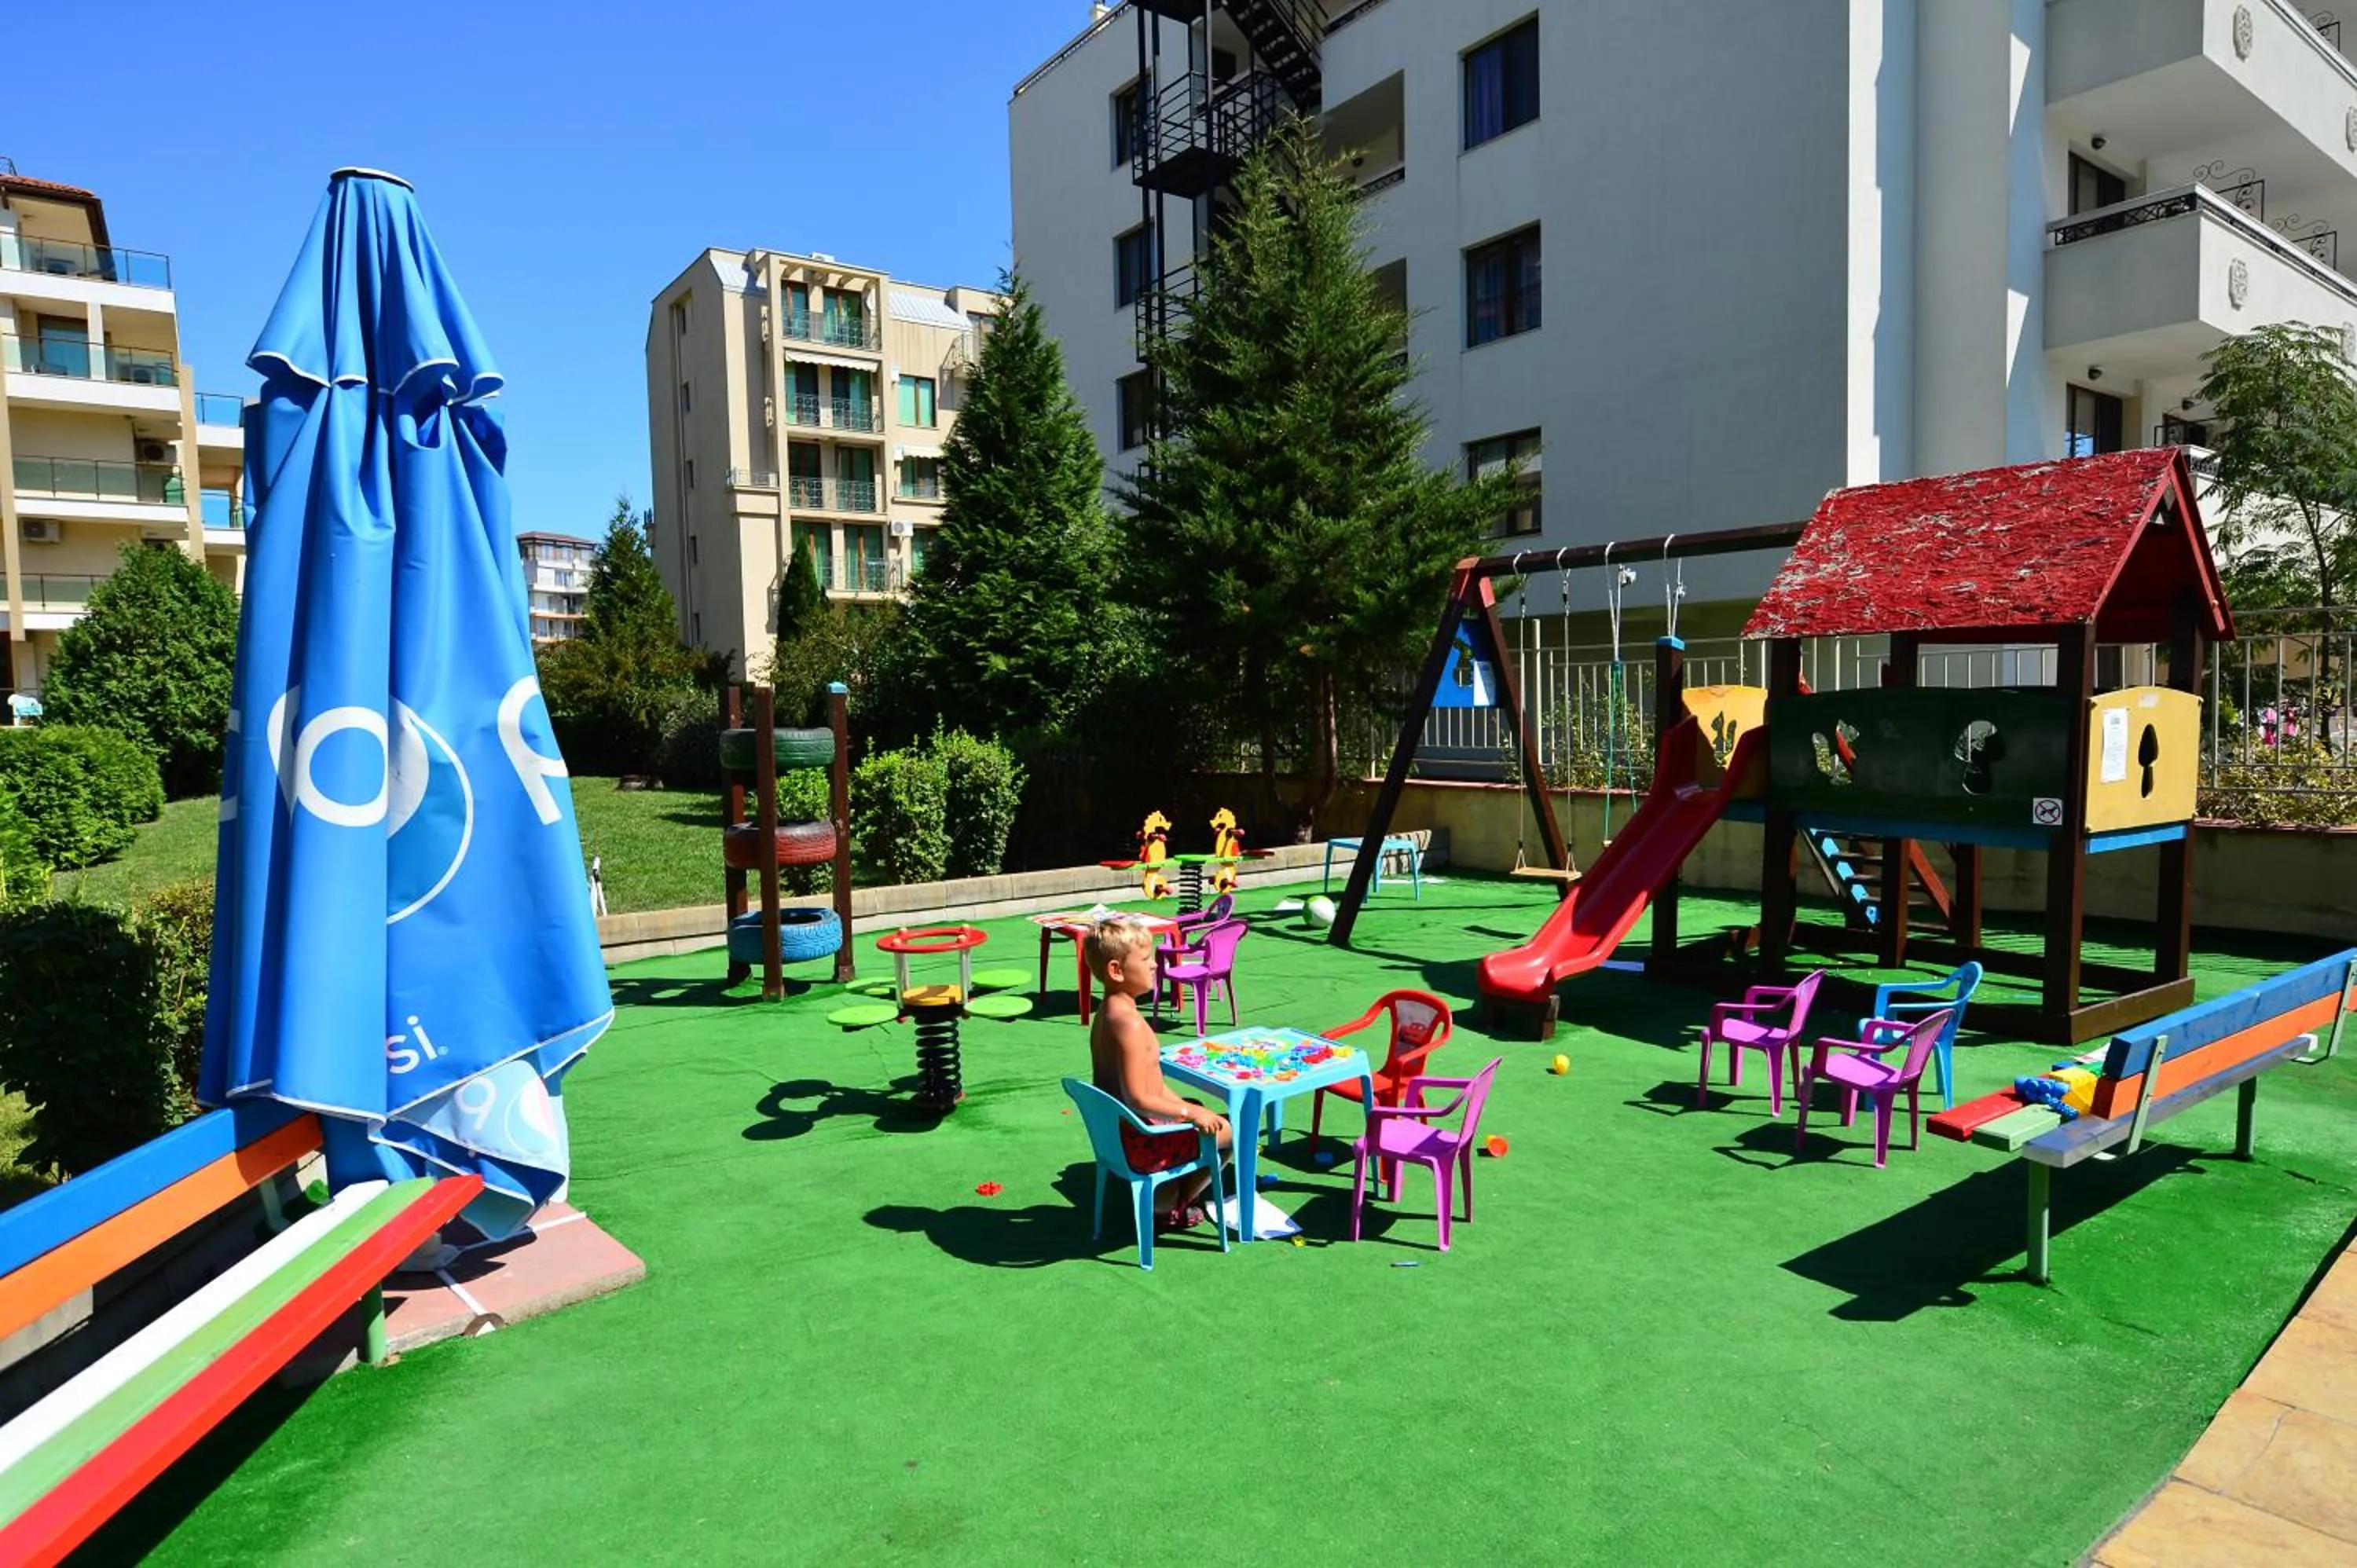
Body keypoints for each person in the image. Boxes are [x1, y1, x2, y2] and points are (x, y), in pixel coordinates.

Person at [1085, 916, 1231, 1229]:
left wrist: (1189, 1108)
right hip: (1141, 1145)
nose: (1154, 965)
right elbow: (1139, 1097)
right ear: (1116, 970)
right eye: (1145, 959)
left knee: (1197, 1106)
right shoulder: (1130, 1024)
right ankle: (1172, 1206)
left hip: (1115, 1135)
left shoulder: (1108, 1013)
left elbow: (1149, 1086)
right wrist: (1190, 1114)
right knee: (1234, 1131)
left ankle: (1165, 1195)